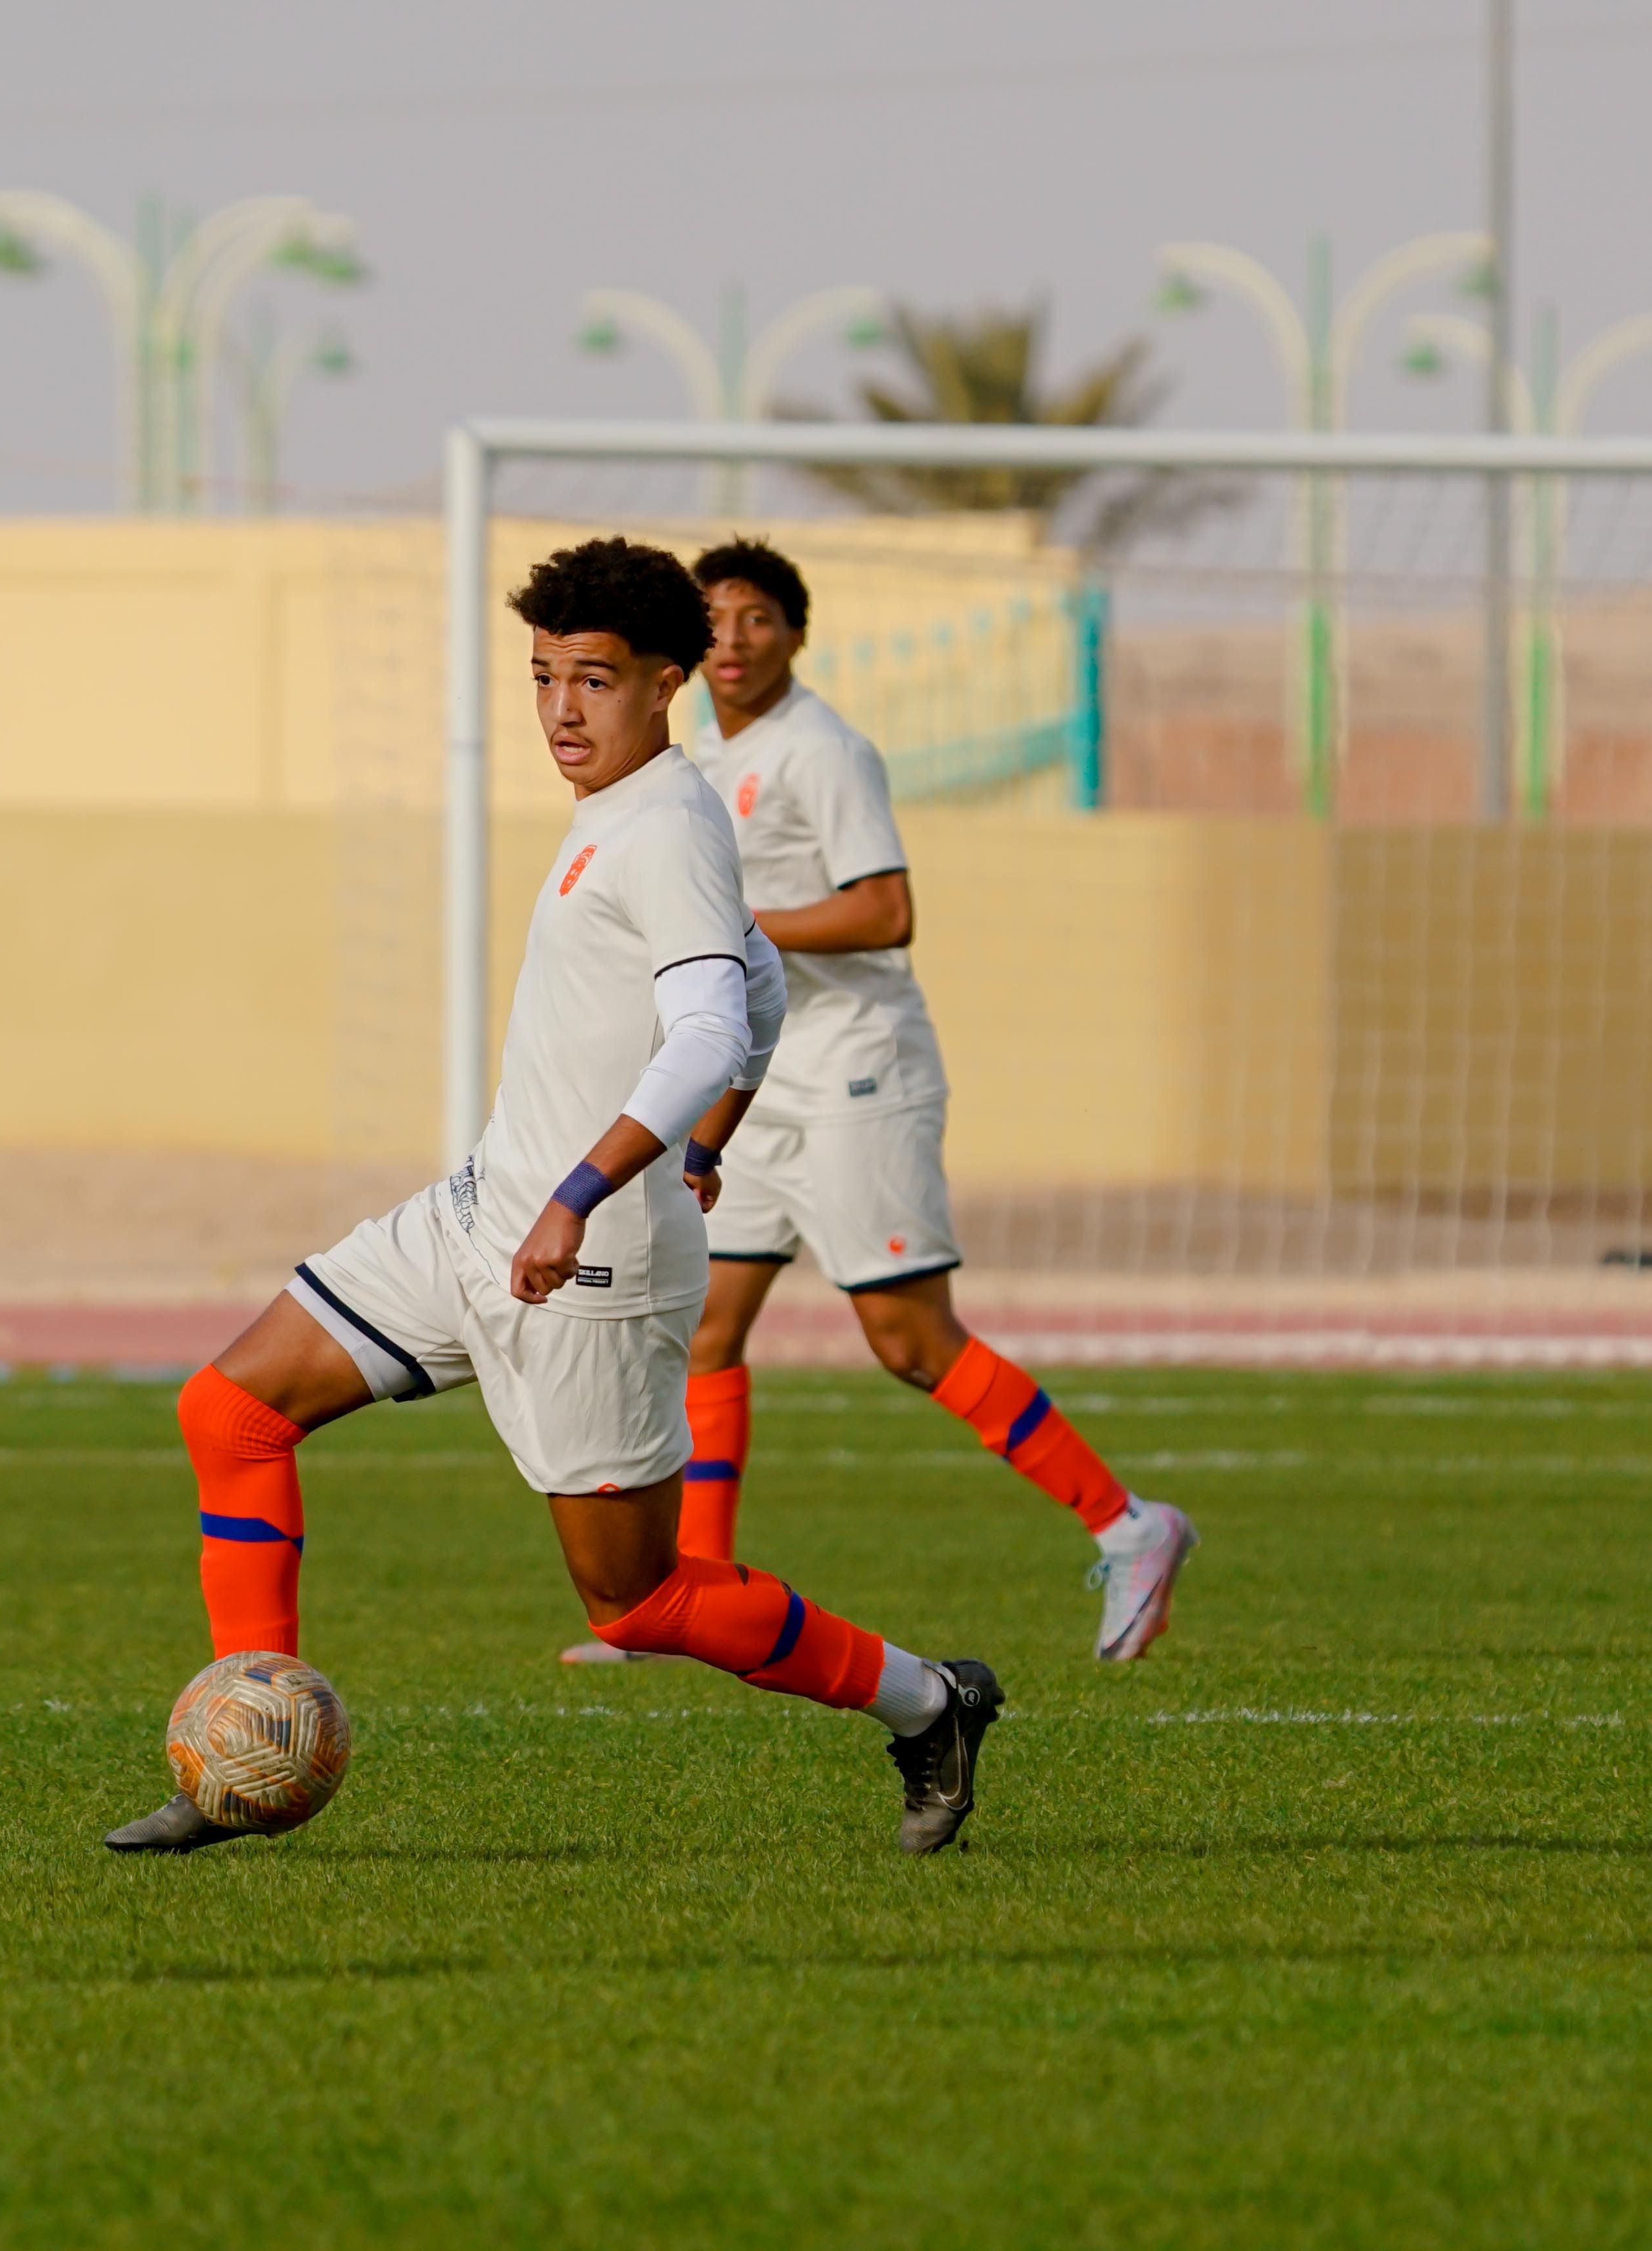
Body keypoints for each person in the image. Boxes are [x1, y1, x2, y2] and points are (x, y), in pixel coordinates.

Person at [111, 538, 1003, 1859]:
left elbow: (702, 1025)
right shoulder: (620, 815)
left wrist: (589, 1191)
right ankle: (257, 1742)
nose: (560, 711)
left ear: (665, 684)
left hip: (583, 1260)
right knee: (231, 1408)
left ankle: (928, 1698)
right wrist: (707, 1143)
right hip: (480, 1215)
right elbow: (753, 992)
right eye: (541, 678)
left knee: (637, 1602)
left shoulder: (668, 828)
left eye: (592, 680)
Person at [558, 539, 1191, 1665]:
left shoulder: (825, 752)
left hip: (855, 1073)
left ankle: (1130, 1526)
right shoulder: (693, 756)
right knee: (706, 1330)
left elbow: (885, 910)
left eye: (761, 618)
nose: (738, 639)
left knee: (908, 1340)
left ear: (796, 634)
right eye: (719, 620)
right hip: (751, 1079)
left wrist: (736, 932)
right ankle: (685, 1595)